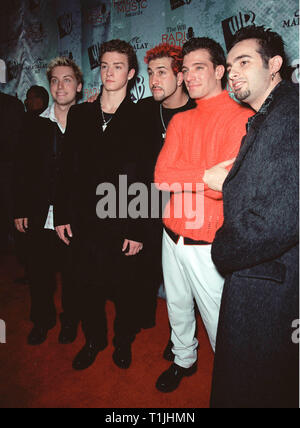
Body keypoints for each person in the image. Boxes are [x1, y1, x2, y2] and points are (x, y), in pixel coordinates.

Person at [154, 37, 253, 393]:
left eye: (199, 67)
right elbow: (162, 176)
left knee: (220, 323)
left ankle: (234, 386)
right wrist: (202, 176)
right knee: (177, 308)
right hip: (170, 234)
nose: (190, 75)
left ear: (219, 71)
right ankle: (184, 359)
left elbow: (222, 186)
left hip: (208, 243)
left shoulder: (243, 119)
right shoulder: (181, 121)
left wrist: (196, 177)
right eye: (186, 68)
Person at [209, 25, 299, 408]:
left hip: (268, 281)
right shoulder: (272, 113)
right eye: (229, 65)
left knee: (253, 389)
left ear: (274, 65)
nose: (233, 72)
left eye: (244, 62)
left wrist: (221, 250)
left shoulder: (288, 115)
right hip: (265, 274)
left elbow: (278, 219)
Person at [55, 40, 144, 371]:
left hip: (122, 219)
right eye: (104, 66)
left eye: (117, 66)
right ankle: (94, 340)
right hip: (83, 220)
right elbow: (65, 169)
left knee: (124, 290)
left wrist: (137, 229)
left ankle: (123, 341)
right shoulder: (81, 113)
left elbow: (145, 178)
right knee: (85, 285)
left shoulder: (141, 117)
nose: (109, 72)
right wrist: (62, 214)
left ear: (131, 73)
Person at [14, 57, 83, 346]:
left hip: (77, 217)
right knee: (39, 275)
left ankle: (70, 322)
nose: (60, 85)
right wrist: (19, 209)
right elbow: (22, 170)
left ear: (78, 86)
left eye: (67, 79)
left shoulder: (90, 123)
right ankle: (42, 321)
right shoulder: (34, 125)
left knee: (73, 275)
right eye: (54, 80)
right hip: (40, 214)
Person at [136, 43, 196, 359]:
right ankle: (144, 316)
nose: (154, 80)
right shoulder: (145, 109)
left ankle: (180, 339)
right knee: (146, 267)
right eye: (150, 73)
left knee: (183, 285)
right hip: (146, 204)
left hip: (186, 209)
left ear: (181, 76)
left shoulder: (198, 112)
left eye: (162, 72)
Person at [0, 92, 24, 259]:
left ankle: (23, 258)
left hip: (9, 169)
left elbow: (17, 140)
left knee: (12, 211)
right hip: (10, 168)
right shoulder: (12, 103)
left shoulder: (11, 105)